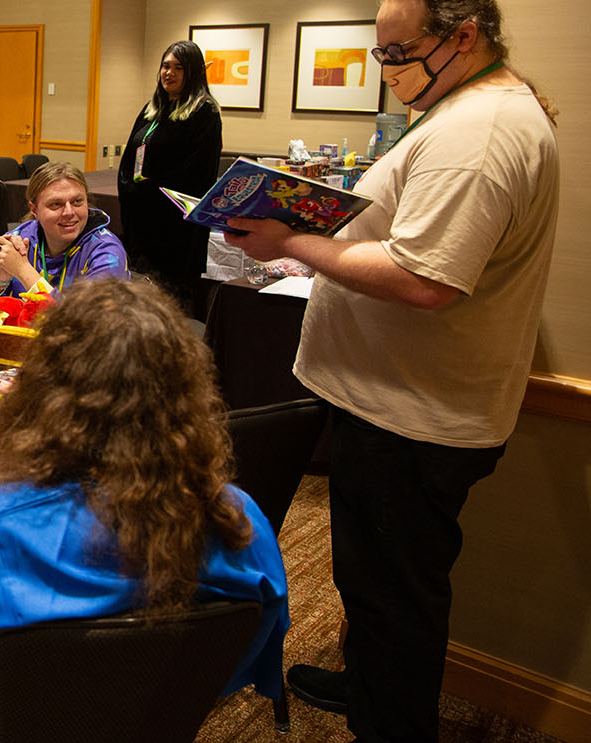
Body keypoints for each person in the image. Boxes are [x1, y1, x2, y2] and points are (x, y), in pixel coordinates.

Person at [223, 1, 559, 740]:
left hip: (412, 421)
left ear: (464, 37)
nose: (390, 71)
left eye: (398, 53)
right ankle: (369, 682)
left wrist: (292, 241)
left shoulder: (480, 131)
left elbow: (424, 278)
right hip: (399, 402)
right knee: (378, 586)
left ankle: (391, 721)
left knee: (394, 598)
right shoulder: (466, 109)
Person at [0, 278, 288, 729]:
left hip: (16, 722)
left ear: (47, 388)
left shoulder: (0, 524)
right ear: (184, 389)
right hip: (163, 717)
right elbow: (253, 642)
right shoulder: (240, 518)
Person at [117, 39, 222, 313]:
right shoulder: (152, 109)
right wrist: (129, 186)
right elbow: (130, 155)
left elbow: (195, 174)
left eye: (178, 68)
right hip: (141, 223)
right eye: (165, 66)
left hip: (174, 230)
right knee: (138, 301)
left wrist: (147, 190)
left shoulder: (204, 113)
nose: (169, 73)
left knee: (167, 307)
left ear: (193, 72)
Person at [0, 162, 128, 325]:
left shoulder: (106, 250)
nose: (69, 212)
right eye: (56, 204)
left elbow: (87, 324)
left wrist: (22, 270)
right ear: (34, 210)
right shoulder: (20, 239)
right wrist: (0, 278)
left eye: (77, 201)